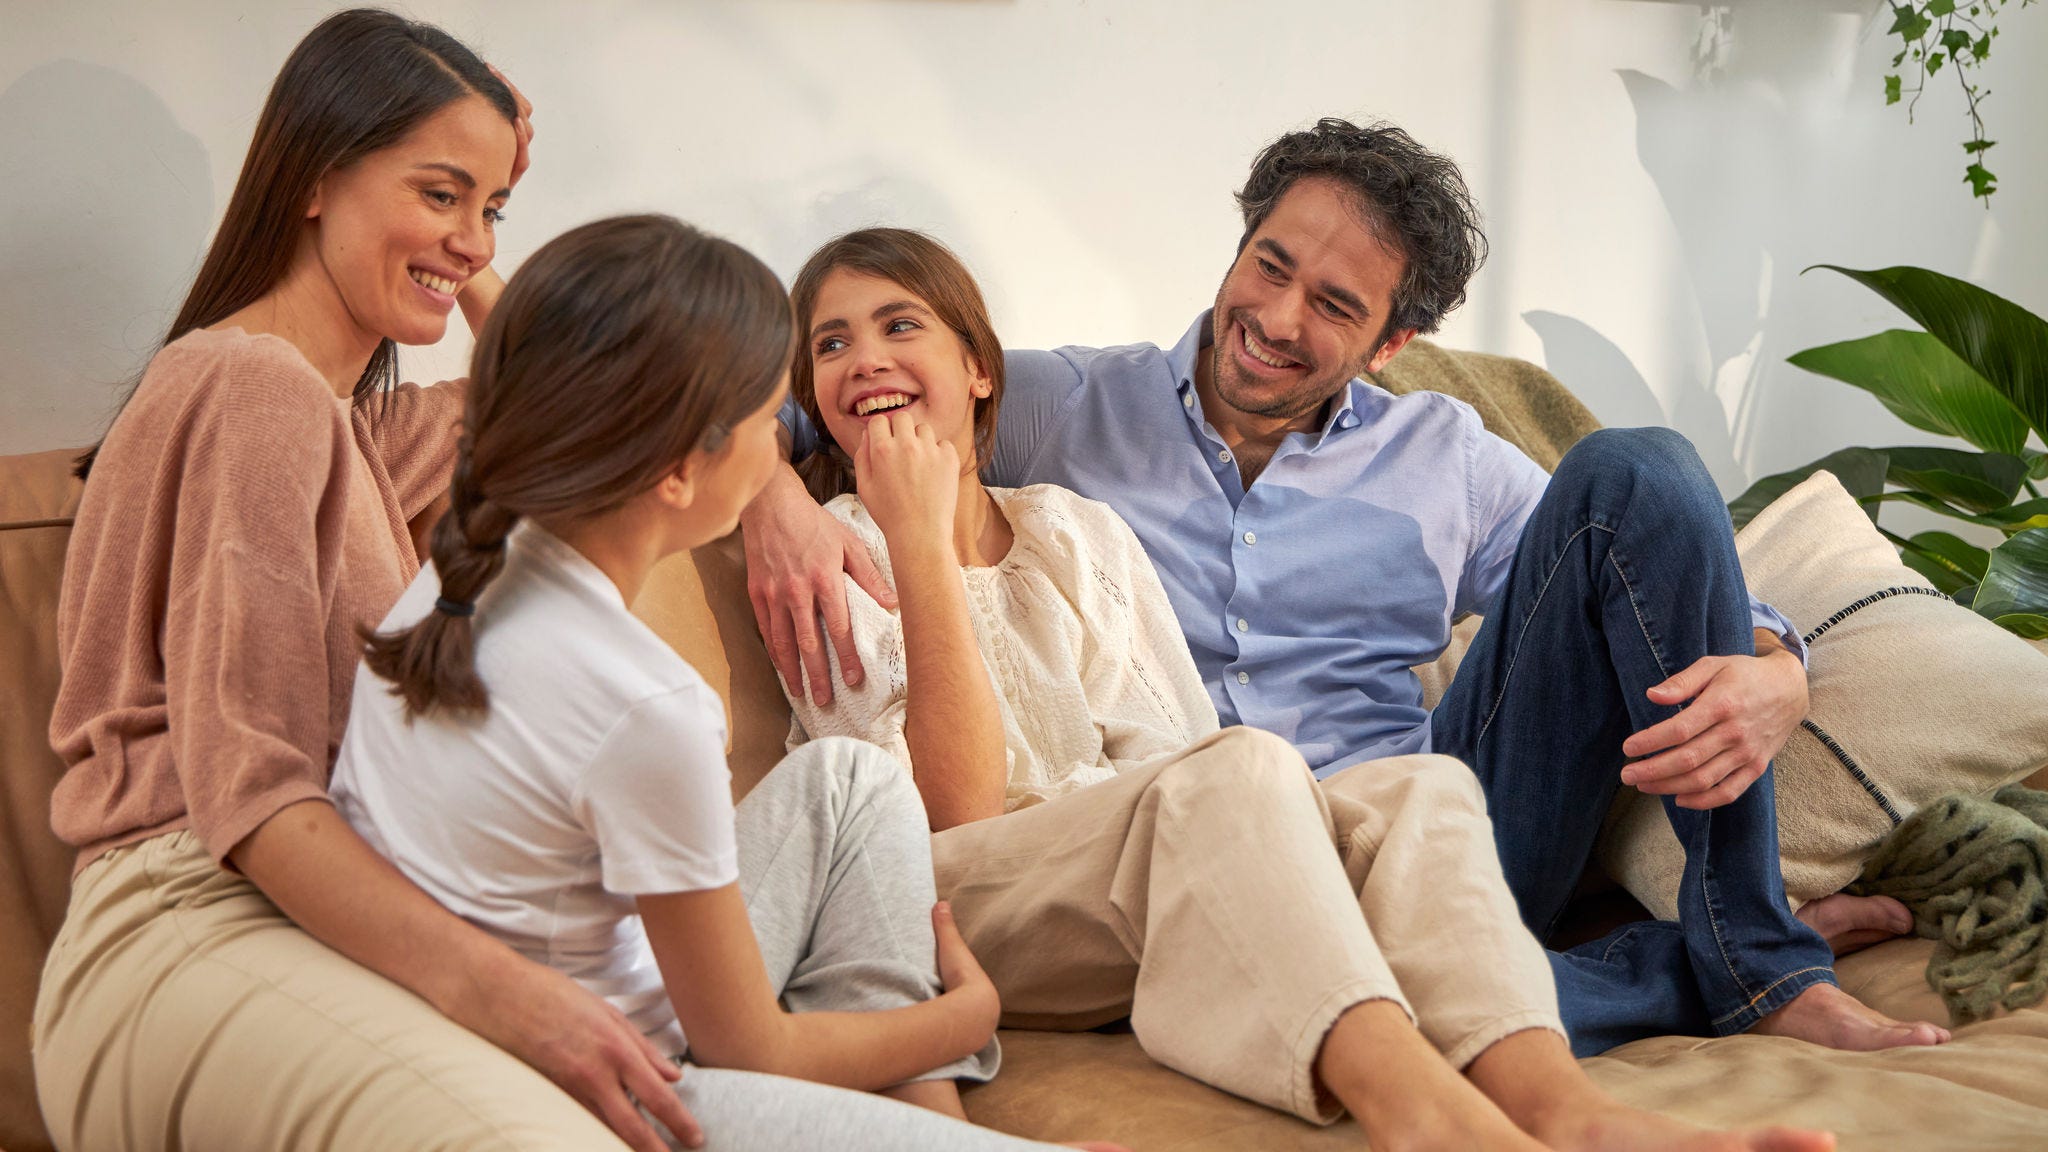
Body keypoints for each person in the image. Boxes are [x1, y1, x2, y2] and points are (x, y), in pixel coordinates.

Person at [743, 119, 1948, 1060]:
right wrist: (772, 499)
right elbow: (814, 393)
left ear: (1388, 344)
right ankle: (1686, 972)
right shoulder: (1063, 404)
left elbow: (1635, 567)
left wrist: (1776, 664)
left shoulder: (1447, 458)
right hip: (1201, 869)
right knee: (1338, 995)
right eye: (1267, 266)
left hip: (1437, 836)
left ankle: (1755, 956)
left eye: (1331, 305)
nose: (1272, 318)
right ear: (1236, 248)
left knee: (1641, 469)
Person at [34, 12, 703, 1151]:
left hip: (302, 930)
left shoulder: (350, 429)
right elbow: (249, 791)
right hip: (189, 927)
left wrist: (470, 190)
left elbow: (589, 400)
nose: (473, 243)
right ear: (313, 177)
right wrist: (504, 993)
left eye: (493, 211)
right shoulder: (253, 387)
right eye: (437, 194)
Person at [331, 213, 1102, 1152]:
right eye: (761, 423)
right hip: (618, 1070)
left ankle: (933, 1114)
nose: (779, 455)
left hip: (552, 988)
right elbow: (750, 1050)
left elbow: (543, 348)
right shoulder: (647, 704)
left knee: (853, 781)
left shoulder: (473, 560)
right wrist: (963, 1016)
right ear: (677, 469)